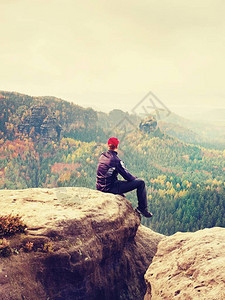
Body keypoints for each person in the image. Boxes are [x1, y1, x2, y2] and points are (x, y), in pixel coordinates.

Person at [96, 137, 153, 218]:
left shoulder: (102, 156)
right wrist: (134, 178)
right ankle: (142, 209)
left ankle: (119, 192)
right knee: (141, 183)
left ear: (108, 145)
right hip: (109, 188)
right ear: (117, 146)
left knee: (115, 179)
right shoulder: (116, 160)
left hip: (99, 187)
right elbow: (127, 177)